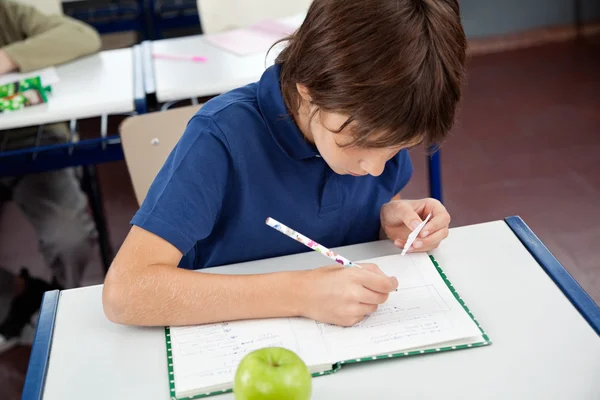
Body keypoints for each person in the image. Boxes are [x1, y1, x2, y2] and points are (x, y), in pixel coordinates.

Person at [103, 0, 467, 328]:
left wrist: (388, 217)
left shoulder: (376, 121)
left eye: (397, 149)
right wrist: (300, 294)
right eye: (362, 143)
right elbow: (126, 292)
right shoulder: (221, 138)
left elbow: (360, 208)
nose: (375, 168)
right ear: (309, 86)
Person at [0, 0, 102, 348]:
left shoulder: (8, 13)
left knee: (69, 236)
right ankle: (17, 293)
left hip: (30, 141)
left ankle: (67, 310)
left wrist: (9, 57)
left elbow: (80, 35)